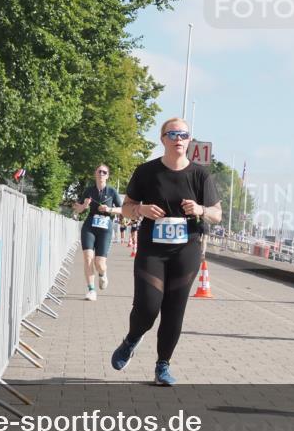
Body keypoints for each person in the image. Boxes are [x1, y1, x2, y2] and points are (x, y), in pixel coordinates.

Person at [111, 118, 221, 385]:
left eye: (184, 134)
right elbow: (126, 208)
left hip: (186, 250)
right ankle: (132, 339)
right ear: (163, 139)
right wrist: (141, 209)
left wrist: (200, 209)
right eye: (173, 134)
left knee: (174, 310)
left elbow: (217, 214)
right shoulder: (146, 172)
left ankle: (163, 366)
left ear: (189, 140)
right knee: (147, 306)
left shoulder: (200, 175)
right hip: (152, 249)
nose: (179, 139)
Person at [72, 164, 123, 301]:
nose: (101, 173)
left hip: (105, 228)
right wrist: (84, 205)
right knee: (88, 257)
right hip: (89, 226)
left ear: (107, 175)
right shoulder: (89, 190)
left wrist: (109, 209)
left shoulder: (112, 191)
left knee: (99, 263)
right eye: (99, 171)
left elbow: (122, 209)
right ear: (95, 173)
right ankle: (91, 290)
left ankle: (102, 274)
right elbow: (77, 209)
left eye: (104, 172)